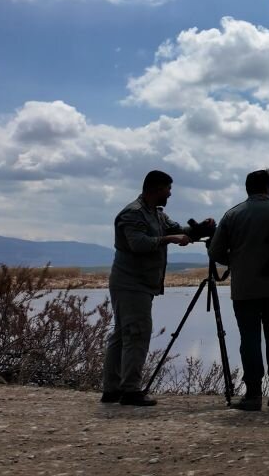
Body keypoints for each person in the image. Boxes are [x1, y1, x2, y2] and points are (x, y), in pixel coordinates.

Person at [101, 170, 212, 407]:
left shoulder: (157, 215)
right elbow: (138, 244)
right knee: (136, 333)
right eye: (167, 189)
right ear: (155, 189)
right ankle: (129, 391)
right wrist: (169, 240)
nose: (170, 194)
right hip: (130, 283)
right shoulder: (133, 214)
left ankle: (112, 390)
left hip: (140, 283)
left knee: (123, 334)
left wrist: (200, 229)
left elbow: (178, 230)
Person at [208, 168, 269, 411]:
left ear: (248, 188)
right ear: (268, 188)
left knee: (249, 339)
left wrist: (238, 260)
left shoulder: (232, 215)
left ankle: (252, 395)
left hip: (243, 290)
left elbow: (215, 252)